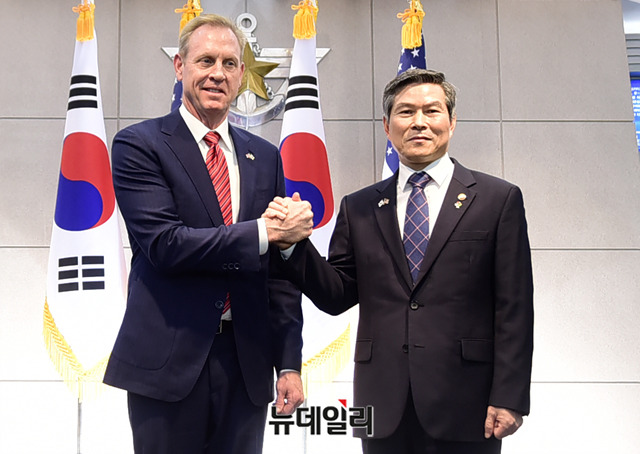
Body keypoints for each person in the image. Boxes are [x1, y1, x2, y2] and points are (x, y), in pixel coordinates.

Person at [266, 69, 534, 454]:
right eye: (406, 112)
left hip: (467, 402)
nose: (419, 122)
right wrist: (295, 245)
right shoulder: (359, 207)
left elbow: (514, 308)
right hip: (382, 403)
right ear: (387, 127)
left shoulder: (497, 200)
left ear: (452, 122)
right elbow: (337, 294)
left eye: (432, 111)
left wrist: (510, 396)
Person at [103, 14, 313, 454]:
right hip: (168, 363)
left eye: (229, 63)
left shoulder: (266, 157)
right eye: (206, 61)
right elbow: (166, 245)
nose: (218, 73)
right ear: (180, 66)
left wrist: (289, 363)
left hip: (247, 364)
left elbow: (276, 276)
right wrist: (265, 231)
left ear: (241, 74)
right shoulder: (139, 145)